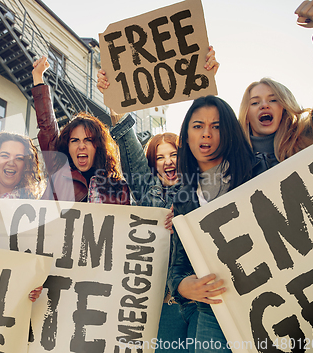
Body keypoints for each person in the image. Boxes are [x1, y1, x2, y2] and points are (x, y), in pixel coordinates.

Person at [99, 46, 219, 353]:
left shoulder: (205, 188)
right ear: (152, 166)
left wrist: (206, 82)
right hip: (165, 306)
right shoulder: (148, 193)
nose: (168, 162)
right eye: (159, 157)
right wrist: (115, 102)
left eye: (174, 154)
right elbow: (127, 144)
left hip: (207, 303)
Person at [168, 95, 257, 353]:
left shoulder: (257, 172)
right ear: (185, 136)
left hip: (266, 299)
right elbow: (178, 266)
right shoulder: (182, 198)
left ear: (228, 132)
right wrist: (183, 286)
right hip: (213, 310)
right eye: (198, 126)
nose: (206, 133)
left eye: (216, 126)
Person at [238, 0, 313, 166]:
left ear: (284, 108)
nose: (264, 105)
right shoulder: (231, 163)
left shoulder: (309, 135)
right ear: (246, 115)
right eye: (255, 102)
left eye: (273, 100)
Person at [31, 56, 130, 204]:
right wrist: (38, 77)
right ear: (67, 147)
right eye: (75, 140)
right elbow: (47, 127)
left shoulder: (118, 188)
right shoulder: (59, 171)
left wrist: (111, 94)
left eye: (88, 140)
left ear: (98, 146)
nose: (81, 146)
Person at [0, 131, 44, 205]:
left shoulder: (34, 203)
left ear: (25, 165)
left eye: (19, 158)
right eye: (5, 156)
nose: (11, 163)